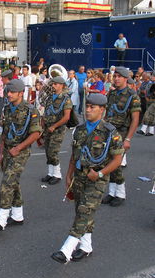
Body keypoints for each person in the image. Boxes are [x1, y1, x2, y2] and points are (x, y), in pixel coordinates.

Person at [51, 94, 124, 264]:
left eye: (93, 107)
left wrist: (99, 173)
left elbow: (117, 160)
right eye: (88, 106)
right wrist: (69, 174)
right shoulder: (80, 129)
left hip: (97, 179)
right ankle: (86, 246)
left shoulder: (110, 133)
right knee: (82, 211)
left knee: (84, 211)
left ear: (102, 110)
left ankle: (66, 250)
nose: (88, 110)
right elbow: (75, 155)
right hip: (79, 175)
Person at [0, 79, 42, 231]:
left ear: (21, 93)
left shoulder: (31, 111)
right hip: (7, 150)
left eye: (12, 92)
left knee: (7, 182)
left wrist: (18, 148)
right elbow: (5, 131)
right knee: (13, 183)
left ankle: (1, 218)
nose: (9, 94)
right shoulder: (8, 108)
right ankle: (18, 216)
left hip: (21, 151)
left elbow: (36, 133)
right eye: (7, 92)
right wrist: (0, 151)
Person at [102, 67, 141, 207]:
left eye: (119, 76)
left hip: (122, 132)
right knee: (109, 162)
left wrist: (128, 139)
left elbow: (135, 119)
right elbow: (107, 114)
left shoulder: (132, 96)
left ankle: (120, 193)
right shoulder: (111, 94)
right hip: (109, 132)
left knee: (116, 163)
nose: (116, 78)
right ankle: (112, 192)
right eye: (115, 76)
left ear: (126, 78)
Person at [41, 76, 73, 185]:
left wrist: (54, 126)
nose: (53, 86)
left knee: (53, 151)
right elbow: (46, 112)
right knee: (47, 150)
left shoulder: (65, 99)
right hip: (48, 127)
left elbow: (66, 117)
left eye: (56, 84)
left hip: (58, 129)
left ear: (62, 85)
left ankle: (57, 174)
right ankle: (50, 173)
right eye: (53, 84)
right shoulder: (50, 97)